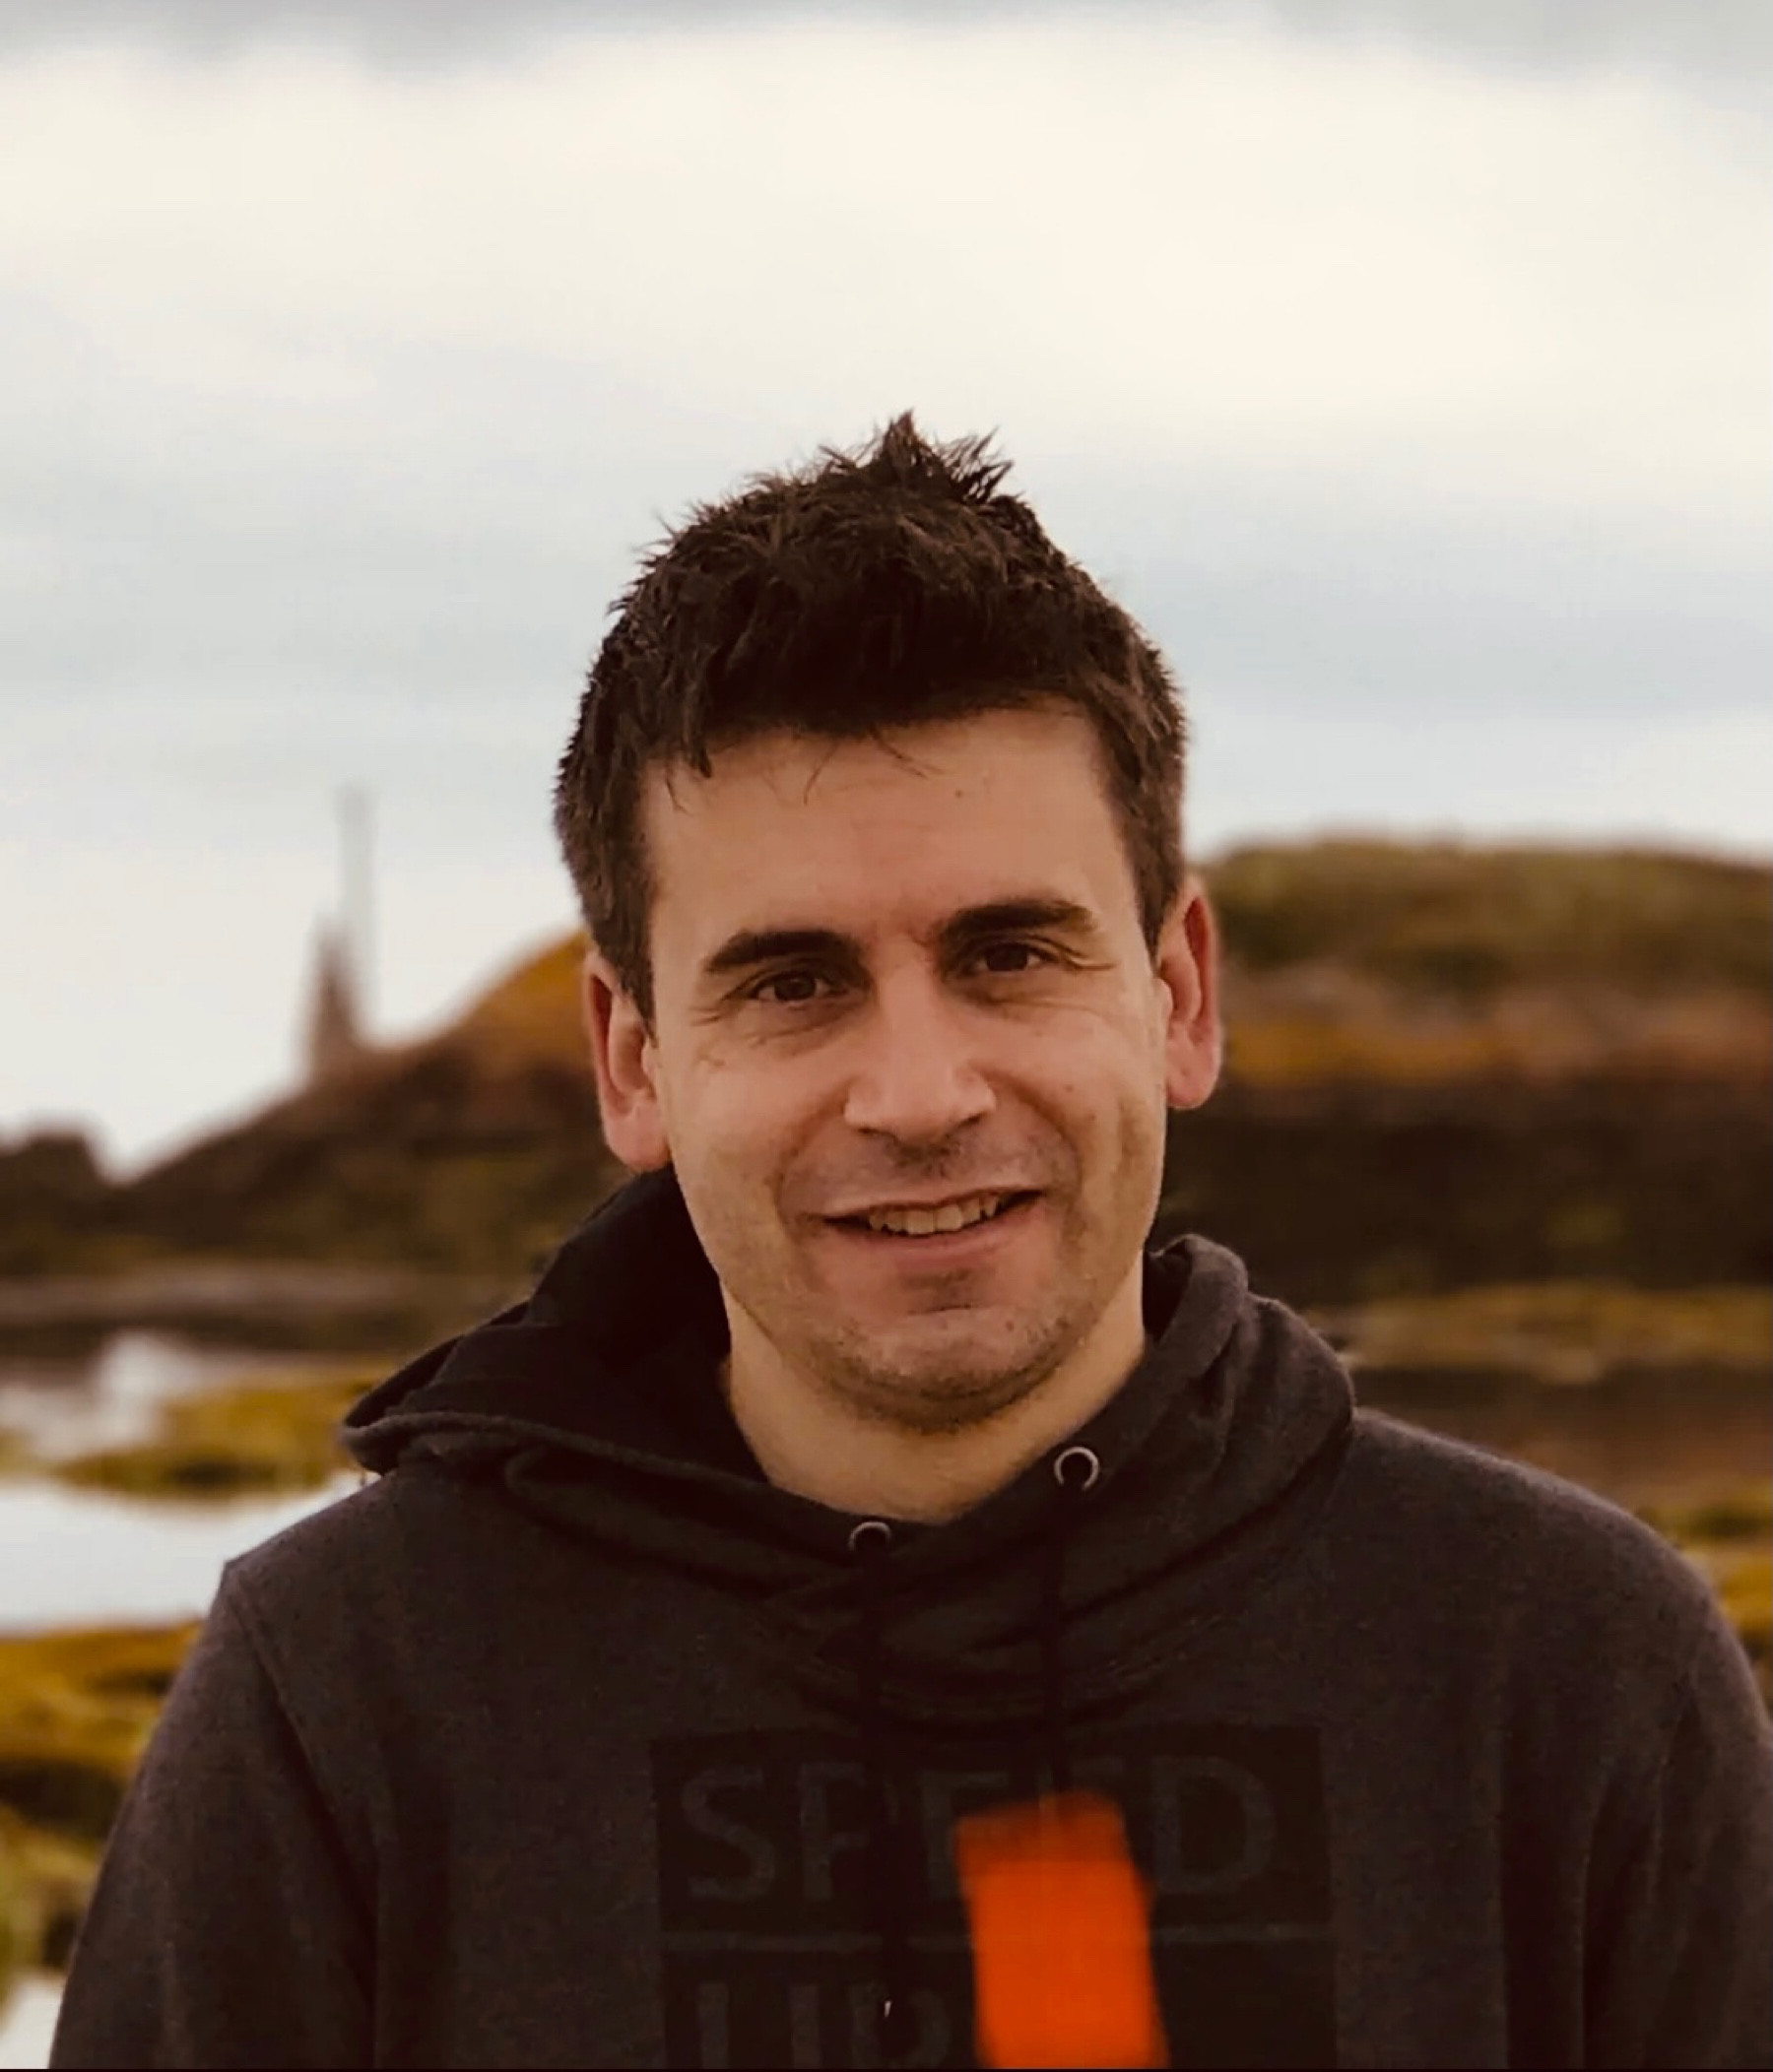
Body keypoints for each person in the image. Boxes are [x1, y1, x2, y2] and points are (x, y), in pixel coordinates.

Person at [52, 417, 1771, 2069]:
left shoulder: (1564, 1672)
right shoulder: (344, 1697)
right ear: (632, 1062)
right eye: (793, 982)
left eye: (1009, 955)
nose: (922, 1095)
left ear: (1178, 995)